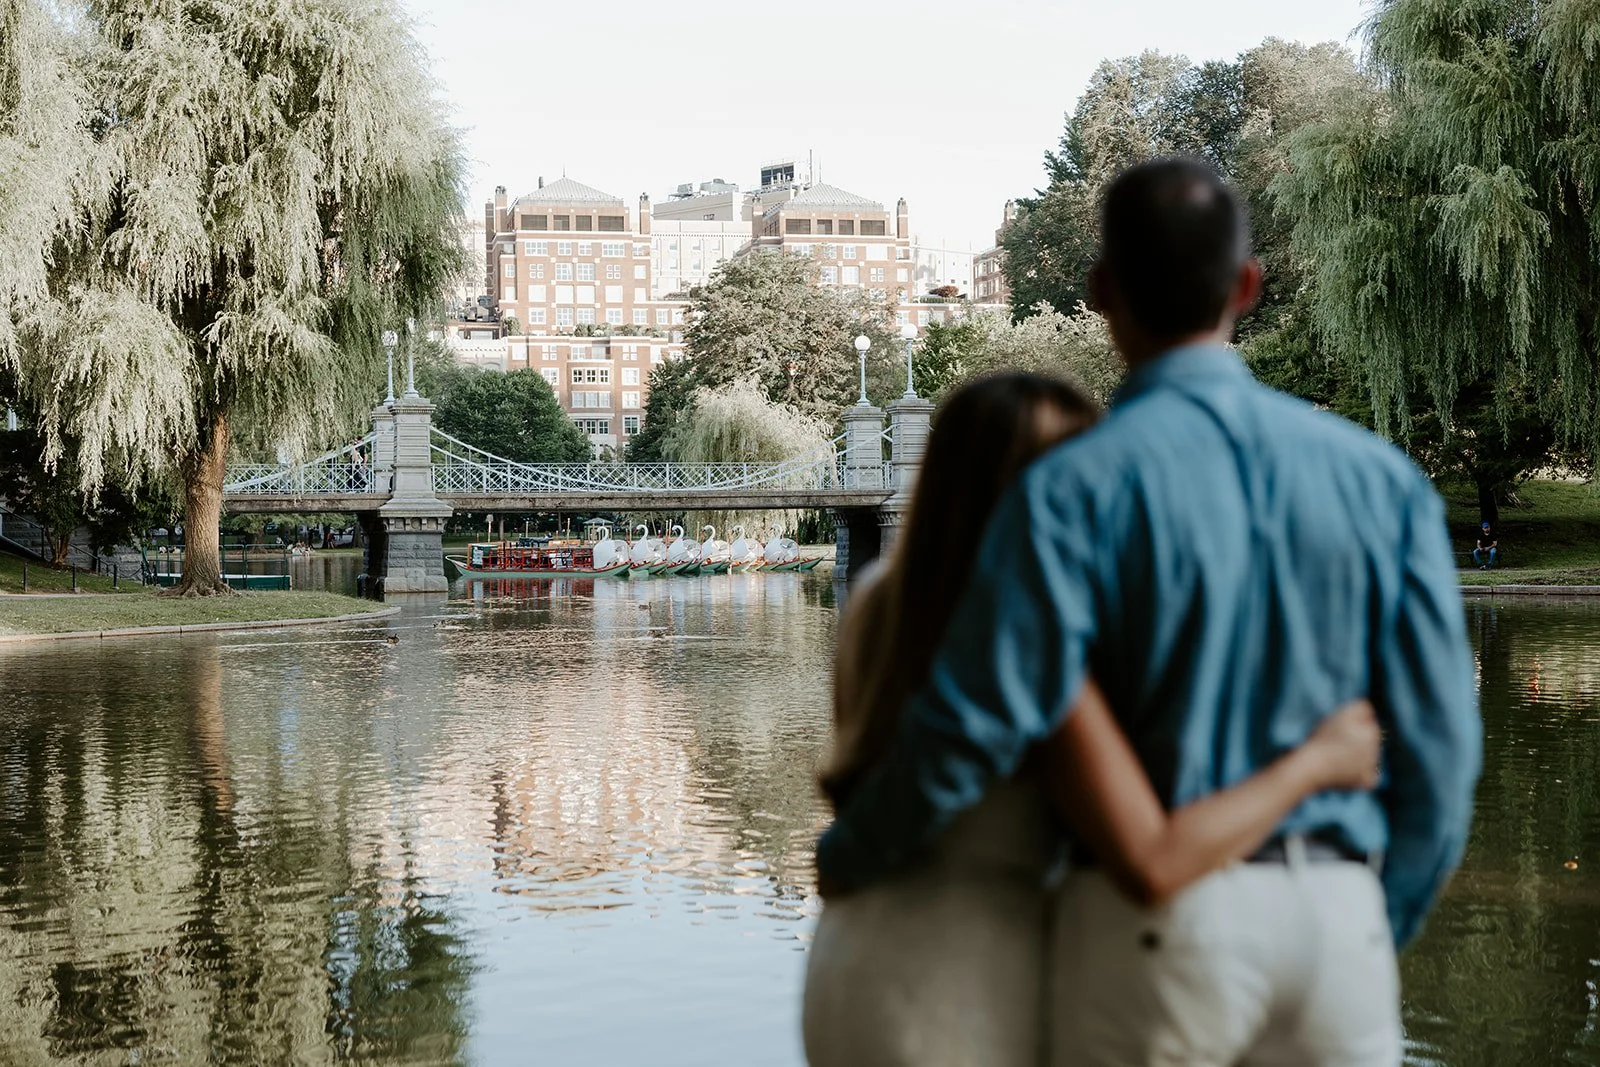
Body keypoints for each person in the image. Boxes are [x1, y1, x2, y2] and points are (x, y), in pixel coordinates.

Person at [816, 158, 1482, 1066]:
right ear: (1247, 286)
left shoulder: (1063, 492)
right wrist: (1373, 913)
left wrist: (856, 849)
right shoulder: (1382, 481)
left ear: (1100, 290)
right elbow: (1441, 749)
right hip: (1340, 921)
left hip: (1160, 929)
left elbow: (982, 713)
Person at [802, 372, 1383, 1067]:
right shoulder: (1032, 630)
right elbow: (1146, 852)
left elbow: (864, 782)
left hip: (854, 947)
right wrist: (1317, 761)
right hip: (958, 982)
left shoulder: (876, 602)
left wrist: (841, 855)